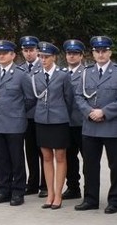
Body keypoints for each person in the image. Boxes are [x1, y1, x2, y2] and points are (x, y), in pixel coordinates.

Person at [74, 36, 117, 214]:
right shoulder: (86, 72)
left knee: (116, 166)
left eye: (104, 51)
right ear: (93, 53)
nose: (100, 54)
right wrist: (89, 112)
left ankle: (115, 200)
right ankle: (90, 199)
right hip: (91, 125)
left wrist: (104, 112)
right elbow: (79, 96)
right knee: (90, 165)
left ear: (109, 52)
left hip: (113, 126)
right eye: (97, 51)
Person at [0, 40, 36, 206]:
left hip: (15, 123)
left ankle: (18, 191)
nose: (1, 56)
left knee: (16, 159)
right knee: (1, 158)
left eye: (5, 53)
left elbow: (30, 98)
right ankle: (4, 189)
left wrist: (17, 112)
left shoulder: (21, 74)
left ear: (13, 55)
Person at [33, 42, 74, 210]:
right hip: (42, 120)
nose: (43, 60)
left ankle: (58, 194)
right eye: (41, 57)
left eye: (46, 57)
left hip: (59, 121)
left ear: (54, 57)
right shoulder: (36, 75)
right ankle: (49, 193)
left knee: (60, 157)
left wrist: (63, 115)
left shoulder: (63, 75)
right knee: (46, 157)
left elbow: (69, 99)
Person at [19, 35, 46, 197]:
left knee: (43, 152)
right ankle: (33, 183)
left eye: (32, 50)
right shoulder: (20, 69)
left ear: (37, 51)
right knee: (30, 152)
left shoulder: (44, 66)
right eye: (26, 50)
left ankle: (45, 185)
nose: (29, 53)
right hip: (25, 116)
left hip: (41, 116)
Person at [61, 39, 87, 201]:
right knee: (69, 157)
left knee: (88, 158)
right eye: (69, 54)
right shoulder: (62, 73)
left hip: (83, 122)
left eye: (75, 54)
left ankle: (89, 189)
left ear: (81, 55)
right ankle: (73, 187)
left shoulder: (87, 73)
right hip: (66, 122)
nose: (71, 57)